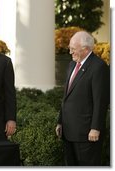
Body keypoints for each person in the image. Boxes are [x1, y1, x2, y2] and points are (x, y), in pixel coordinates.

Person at [55, 31, 110, 166]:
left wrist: (95, 128)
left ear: (85, 49)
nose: (70, 52)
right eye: (70, 49)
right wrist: (60, 121)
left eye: (73, 49)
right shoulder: (72, 65)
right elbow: (66, 96)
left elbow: (100, 101)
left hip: (87, 134)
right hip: (68, 131)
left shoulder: (98, 67)